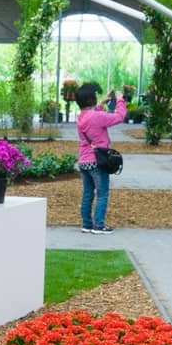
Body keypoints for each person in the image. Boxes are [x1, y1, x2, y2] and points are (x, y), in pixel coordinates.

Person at [75, 84, 127, 234]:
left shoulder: (81, 117)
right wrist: (120, 100)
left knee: (87, 193)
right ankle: (99, 225)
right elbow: (120, 117)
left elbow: (93, 115)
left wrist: (102, 103)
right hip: (98, 161)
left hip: (84, 161)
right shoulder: (97, 117)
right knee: (102, 193)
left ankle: (87, 224)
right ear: (91, 98)